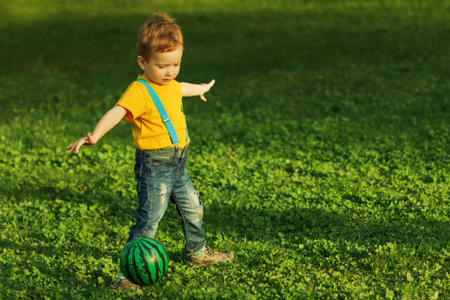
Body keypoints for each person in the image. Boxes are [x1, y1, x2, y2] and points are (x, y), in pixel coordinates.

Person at [67, 12, 234, 293]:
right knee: (149, 219)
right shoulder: (139, 90)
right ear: (143, 62)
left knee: (192, 208)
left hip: (179, 162)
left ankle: (197, 252)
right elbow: (117, 112)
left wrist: (202, 88)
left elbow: (183, 89)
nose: (170, 72)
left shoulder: (170, 84)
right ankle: (127, 275)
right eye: (162, 66)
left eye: (176, 64)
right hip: (154, 166)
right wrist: (94, 135)